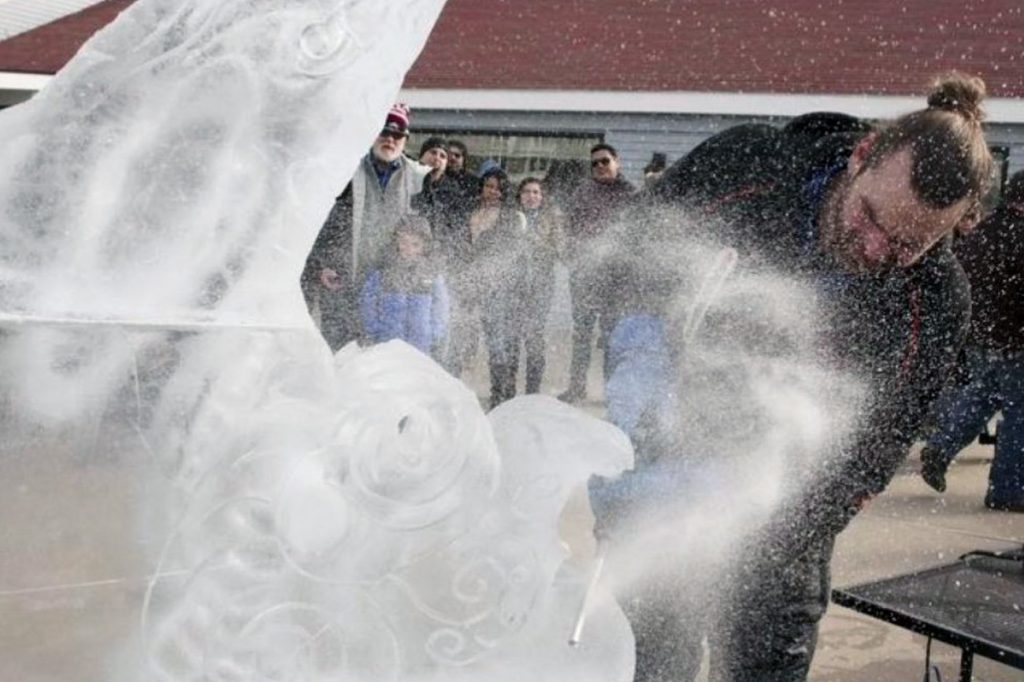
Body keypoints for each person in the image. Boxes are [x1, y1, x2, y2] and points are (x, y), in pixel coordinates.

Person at [593, 73, 991, 681]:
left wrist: (762, 506)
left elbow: (874, 453)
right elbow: (629, 256)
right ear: (862, 156)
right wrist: (637, 349)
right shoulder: (747, 164)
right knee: (644, 662)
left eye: (909, 245)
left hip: (781, 544)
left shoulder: (934, 300)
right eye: (870, 217)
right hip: (657, 460)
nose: (877, 250)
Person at [920, 169, 1024, 512]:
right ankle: (1009, 491)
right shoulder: (1018, 234)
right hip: (1016, 337)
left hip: (983, 335)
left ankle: (942, 444)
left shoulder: (987, 229)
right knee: (1019, 415)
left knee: (985, 394)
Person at [302, 103, 429, 350]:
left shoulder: (415, 178)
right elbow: (321, 220)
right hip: (343, 276)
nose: (390, 141)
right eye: (385, 133)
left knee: (381, 353)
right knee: (340, 348)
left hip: (388, 281)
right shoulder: (346, 169)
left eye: (397, 136)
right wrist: (325, 262)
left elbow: (424, 230)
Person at [559, 143, 636, 404]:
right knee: (581, 335)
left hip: (617, 281)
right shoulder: (583, 192)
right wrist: (571, 256)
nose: (600, 167)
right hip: (584, 277)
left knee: (612, 337)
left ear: (617, 162)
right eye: (595, 163)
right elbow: (567, 227)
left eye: (605, 161)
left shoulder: (631, 194)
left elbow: (640, 235)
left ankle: (610, 391)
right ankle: (577, 387)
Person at [464, 167, 528, 408]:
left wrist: (494, 277)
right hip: (472, 283)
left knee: (498, 341)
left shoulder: (512, 217)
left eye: (497, 188)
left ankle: (501, 391)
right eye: (488, 186)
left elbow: (513, 254)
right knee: (468, 337)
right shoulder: (472, 211)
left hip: (499, 286)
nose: (492, 191)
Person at [359, 215, 449, 359]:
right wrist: (374, 328)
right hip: (388, 341)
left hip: (420, 343)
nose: (408, 249)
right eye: (404, 242)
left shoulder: (431, 273)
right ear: (396, 241)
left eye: (415, 244)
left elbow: (441, 305)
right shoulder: (384, 270)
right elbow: (368, 299)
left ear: (424, 246)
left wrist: (434, 332)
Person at [517, 177, 566, 393]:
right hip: (515, 285)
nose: (531, 196)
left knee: (534, 335)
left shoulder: (552, 219)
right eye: (527, 191)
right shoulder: (511, 217)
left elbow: (559, 249)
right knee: (511, 334)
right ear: (519, 196)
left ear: (542, 197)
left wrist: (536, 242)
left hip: (541, 284)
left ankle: (532, 388)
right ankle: (505, 386)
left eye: (536, 192)